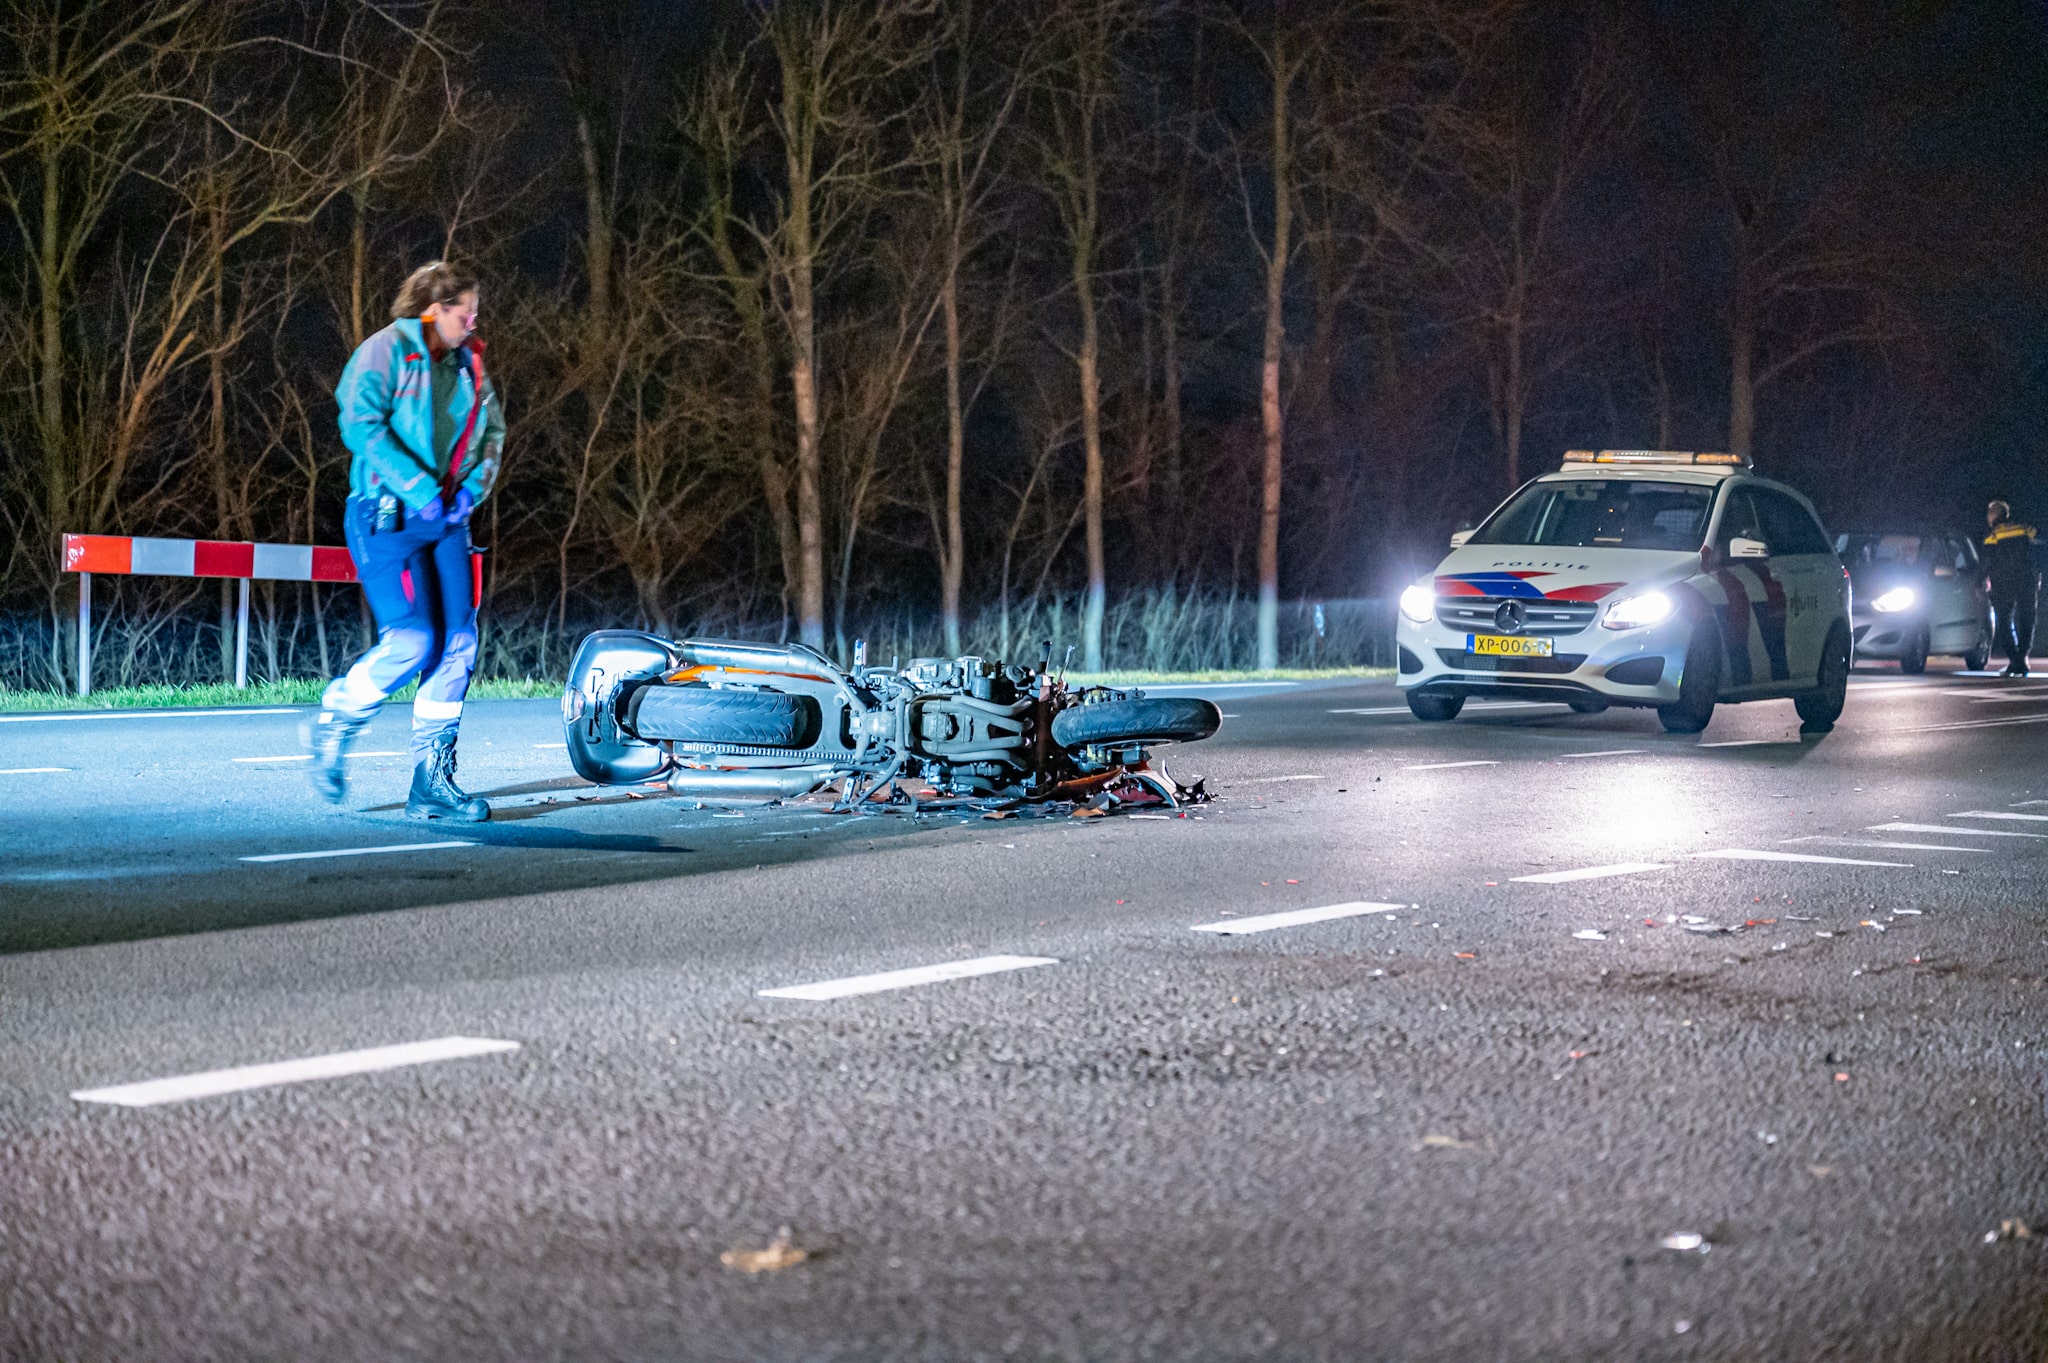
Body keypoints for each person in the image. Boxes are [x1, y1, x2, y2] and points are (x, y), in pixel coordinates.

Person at [304, 261, 506, 818]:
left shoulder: (471, 366)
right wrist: (417, 486)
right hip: (385, 513)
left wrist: (471, 491)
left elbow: (493, 433)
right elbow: (360, 424)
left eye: (474, 313)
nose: (472, 322)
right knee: (413, 640)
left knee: (458, 645)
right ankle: (338, 717)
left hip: (446, 519)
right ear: (433, 309)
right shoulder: (384, 351)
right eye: (464, 312)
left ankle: (432, 784)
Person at [1982, 498, 2039, 678]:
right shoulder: (2025, 529)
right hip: (2027, 580)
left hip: (2003, 584)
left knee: (2004, 621)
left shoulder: (1993, 536)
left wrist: (1980, 581)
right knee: (2027, 619)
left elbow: (1987, 562)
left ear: (1993, 516)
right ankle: (2022, 657)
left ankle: (2015, 659)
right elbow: (2037, 550)